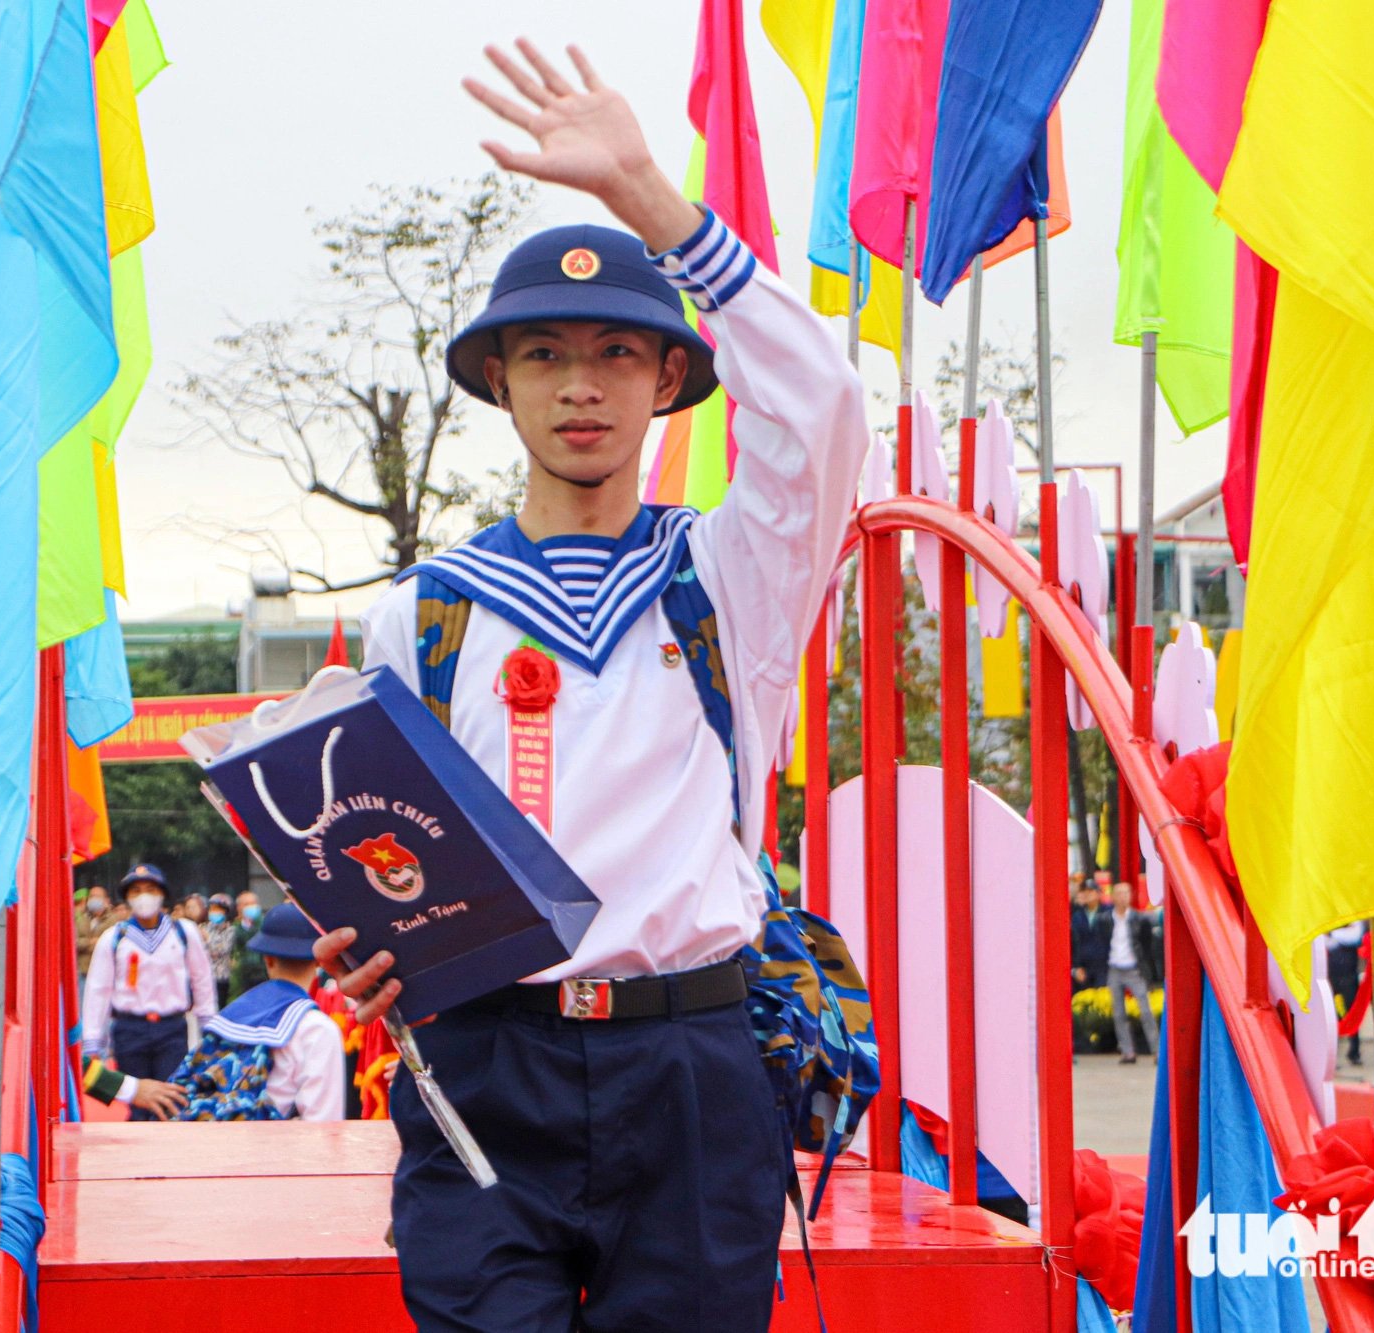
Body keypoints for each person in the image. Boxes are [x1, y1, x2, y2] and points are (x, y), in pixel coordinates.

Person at [313, 40, 867, 1331]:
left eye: (620, 353)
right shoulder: (420, 617)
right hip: (483, 1061)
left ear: (670, 378)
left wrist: (650, 199)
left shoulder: (731, 575)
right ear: (496, 380)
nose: (581, 385)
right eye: (545, 353)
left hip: (689, 1060)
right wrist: (365, 942)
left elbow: (828, 406)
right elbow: (387, 859)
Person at [181, 903, 346, 1121]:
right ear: (318, 960)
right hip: (273, 1149)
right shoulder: (318, 1028)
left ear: (267, 959)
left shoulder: (230, 1015)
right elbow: (324, 1124)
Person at [79, 863, 218, 1121]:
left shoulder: (183, 933)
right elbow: (99, 990)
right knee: (139, 1105)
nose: (144, 896)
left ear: (162, 893)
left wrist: (209, 1030)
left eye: (150, 889)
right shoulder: (115, 938)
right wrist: (92, 1042)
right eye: (137, 890)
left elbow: (202, 981)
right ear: (128, 897)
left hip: (172, 1029)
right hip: (130, 1029)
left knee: (171, 1099)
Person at [1105, 883, 1161, 1063]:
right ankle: (1128, 1051)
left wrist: (1149, 971)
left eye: (1126, 893)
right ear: (1113, 897)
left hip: (1134, 968)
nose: (1123, 897)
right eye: (1119, 894)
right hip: (1114, 967)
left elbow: (1147, 945)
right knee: (1119, 1013)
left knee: (1145, 1011)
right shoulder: (1106, 919)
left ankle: (1156, 1050)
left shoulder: (1138, 919)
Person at [1325, 922, 1366, 1065]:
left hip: (1349, 976)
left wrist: (1334, 933)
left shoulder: (1352, 918)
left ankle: (1354, 1050)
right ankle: (1331, 1055)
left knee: (1351, 1013)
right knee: (1332, 1016)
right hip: (1332, 977)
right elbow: (1326, 942)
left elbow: (1355, 936)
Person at [1069, 880, 1112, 995]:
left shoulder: (1109, 913)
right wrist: (1075, 967)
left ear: (1099, 894)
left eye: (1091, 891)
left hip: (1104, 967)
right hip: (1084, 968)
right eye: (1085, 891)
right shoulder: (1077, 916)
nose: (1087, 894)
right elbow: (1074, 943)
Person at [229, 890, 270, 997]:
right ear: (239, 908)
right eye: (246, 904)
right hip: (243, 979)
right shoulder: (235, 929)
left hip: (264, 976)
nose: (251, 907)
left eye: (253, 903)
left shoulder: (266, 925)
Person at [203, 893, 238, 1006]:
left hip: (223, 977)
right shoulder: (205, 928)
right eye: (212, 909)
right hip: (207, 976)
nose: (214, 911)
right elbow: (201, 950)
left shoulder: (231, 930)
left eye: (218, 909)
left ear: (226, 912)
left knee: (222, 1005)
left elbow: (224, 949)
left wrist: (207, 941)